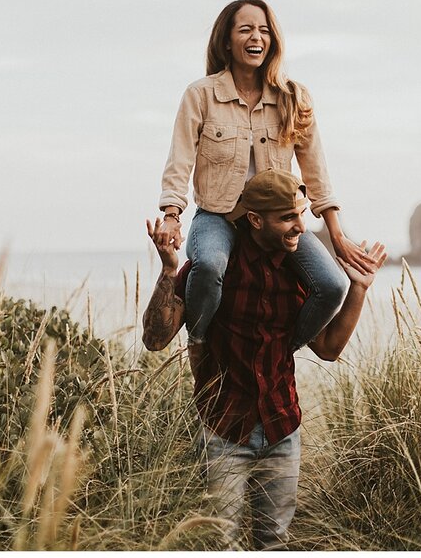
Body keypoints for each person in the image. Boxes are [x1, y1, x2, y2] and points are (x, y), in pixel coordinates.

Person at [143, 169, 387, 550]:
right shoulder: (213, 269)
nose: (301, 228)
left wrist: (358, 288)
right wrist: (169, 269)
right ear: (255, 220)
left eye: (302, 215)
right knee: (217, 543)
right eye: (288, 218)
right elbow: (155, 339)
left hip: (282, 429)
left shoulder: (299, 275)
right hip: (223, 431)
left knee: (273, 543)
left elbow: (328, 348)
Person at [157, 0, 375, 350]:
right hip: (218, 216)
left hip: (276, 222)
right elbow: (179, 160)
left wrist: (335, 232)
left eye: (263, 30)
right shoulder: (201, 95)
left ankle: (274, 353)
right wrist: (171, 215)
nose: (256, 37)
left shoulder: (294, 97)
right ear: (227, 40)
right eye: (245, 30)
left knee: (333, 285)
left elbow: (315, 169)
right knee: (210, 265)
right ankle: (199, 343)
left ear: (273, 40)